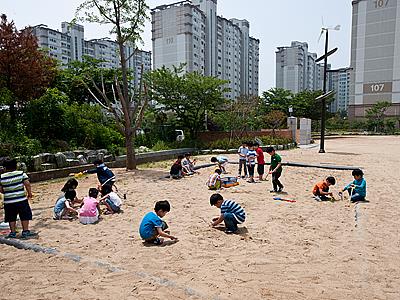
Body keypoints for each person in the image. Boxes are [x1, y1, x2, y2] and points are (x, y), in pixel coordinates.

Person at [0, 158, 37, 239]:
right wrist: (29, 193)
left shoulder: (1, 177)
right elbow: (27, 183)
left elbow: (1, 190)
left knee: (11, 217)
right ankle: (25, 231)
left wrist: (7, 191)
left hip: (8, 201)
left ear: (5, 168)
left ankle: (12, 232)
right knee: (24, 215)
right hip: (21, 200)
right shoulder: (21, 174)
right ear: (16, 166)